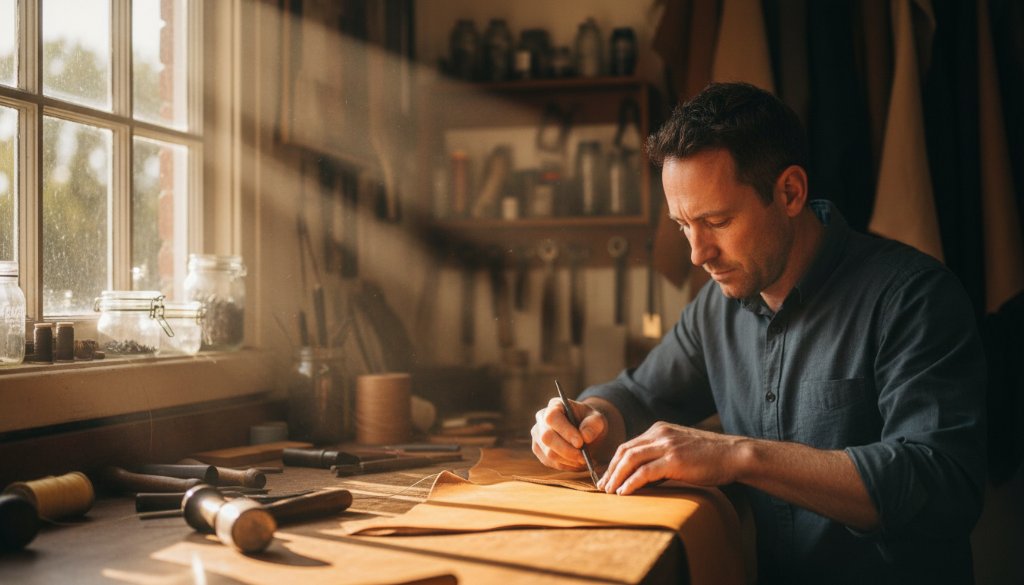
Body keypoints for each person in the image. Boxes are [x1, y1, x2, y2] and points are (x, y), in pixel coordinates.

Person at [531, 82, 987, 585]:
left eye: (717, 221)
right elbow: (639, 395)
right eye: (684, 225)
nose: (697, 253)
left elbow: (942, 486)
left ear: (789, 192)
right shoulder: (716, 308)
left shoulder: (912, 297)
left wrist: (738, 456)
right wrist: (589, 418)